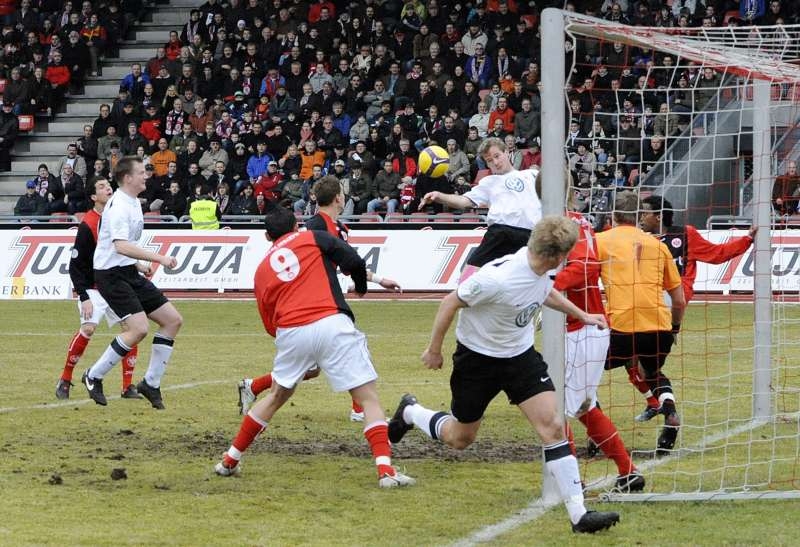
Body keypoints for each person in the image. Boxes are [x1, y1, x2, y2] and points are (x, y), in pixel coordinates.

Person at [387, 216, 619, 532]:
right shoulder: (497, 278)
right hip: (477, 362)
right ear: (557, 256)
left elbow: (544, 291)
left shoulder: (541, 269)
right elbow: (450, 302)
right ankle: (411, 412)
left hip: (520, 358)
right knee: (460, 438)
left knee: (553, 426)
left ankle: (579, 516)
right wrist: (434, 350)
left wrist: (583, 315)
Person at [214, 205, 415, 489]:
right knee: (368, 398)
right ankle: (385, 471)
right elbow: (353, 260)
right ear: (296, 226)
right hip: (331, 321)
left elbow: (268, 321)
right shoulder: (313, 237)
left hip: (292, 331)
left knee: (275, 396)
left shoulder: (260, 271)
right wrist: (361, 286)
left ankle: (229, 460)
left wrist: (290, 337)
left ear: (267, 236)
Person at [237, 176, 401, 421]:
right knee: (348, 349)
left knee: (312, 368)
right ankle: (360, 410)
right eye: (342, 193)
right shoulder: (314, 228)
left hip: (322, 300)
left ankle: (253, 386)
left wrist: (379, 279)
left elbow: (347, 264)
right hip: (313, 301)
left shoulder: (338, 229)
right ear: (339, 198)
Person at [627, 194, 756, 421]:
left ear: (658, 216)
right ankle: (658, 404)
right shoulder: (639, 240)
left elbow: (717, 254)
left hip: (670, 301)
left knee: (635, 359)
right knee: (638, 365)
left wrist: (746, 240)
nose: (640, 217)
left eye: (644, 212)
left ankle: (658, 404)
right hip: (647, 303)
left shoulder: (685, 234)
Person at [555, 200, 644, 492]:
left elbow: (586, 266)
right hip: (587, 327)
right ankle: (628, 472)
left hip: (580, 329)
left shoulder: (567, 222)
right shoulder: (578, 220)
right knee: (586, 408)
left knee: (556, 411)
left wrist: (549, 285)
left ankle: (572, 483)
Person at [81, 157, 183, 409]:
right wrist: (160, 258)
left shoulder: (134, 202)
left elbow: (118, 245)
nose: (146, 175)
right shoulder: (118, 206)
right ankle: (93, 375)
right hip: (110, 275)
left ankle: (151, 383)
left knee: (172, 321)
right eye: (141, 172)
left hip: (127, 271)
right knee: (138, 329)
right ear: (127, 178)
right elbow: (120, 245)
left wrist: (138, 265)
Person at [596, 192, 686, 454]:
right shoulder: (658, 245)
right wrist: (674, 328)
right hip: (658, 326)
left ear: (613, 215)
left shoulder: (600, 241)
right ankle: (669, 412)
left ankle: (597, 433)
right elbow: (679, 300)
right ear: (638, 216)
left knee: (579, 370)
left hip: (622, 325)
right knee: (651, 372)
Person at [56, 178, 141, 400]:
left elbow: (121, 251)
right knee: (88, 329)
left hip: (114, 283)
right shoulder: (88, 224)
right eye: (101, 187)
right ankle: (65, 378)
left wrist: (139, 266)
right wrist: (84, 296)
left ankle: (127, 387)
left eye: (108, 185)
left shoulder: (116, 216)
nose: (108, 188)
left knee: (131, 329)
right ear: (93, 197)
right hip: (93, 288)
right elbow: (75, 265)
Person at [418, 137, 541, 280]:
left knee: (534, 282)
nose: (495, 162)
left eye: (497, 156)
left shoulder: (531, 175)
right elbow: (464, 201)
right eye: (489, 160)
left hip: (531, 235)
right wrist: (439, 196)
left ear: (506, 152)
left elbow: (554, 194)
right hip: (500, 233)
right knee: (467, 278)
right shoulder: (488, 182)